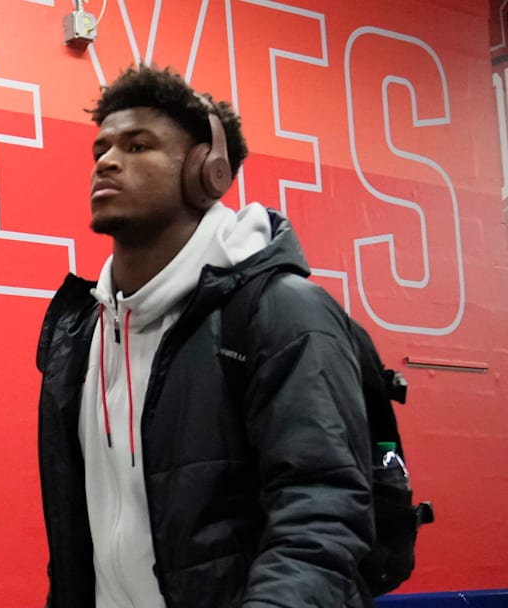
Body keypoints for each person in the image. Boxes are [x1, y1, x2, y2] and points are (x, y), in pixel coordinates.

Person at [35, 65, 374, 608]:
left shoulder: (281, 312)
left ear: (207, 172)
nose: (106, 160)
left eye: (138, 145)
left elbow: (322, 513)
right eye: (101, 147)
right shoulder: (84, 334)